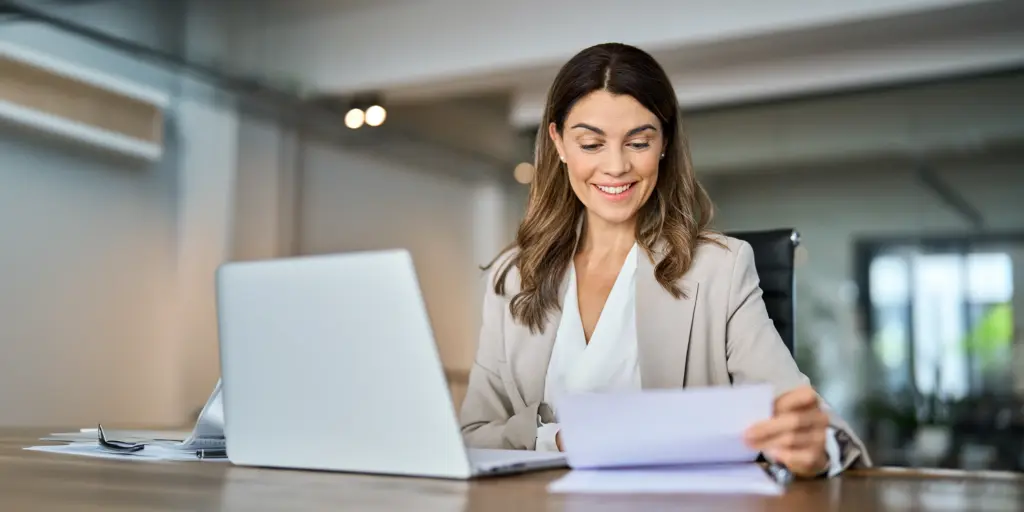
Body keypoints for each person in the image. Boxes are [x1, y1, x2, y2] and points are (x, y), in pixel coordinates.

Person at [458, 42, 871, 477]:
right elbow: (475, 434)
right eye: (591, 143)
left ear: (663, 143)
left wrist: (815, 447)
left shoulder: (720, 269)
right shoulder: (513, 277)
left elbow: (810, 422)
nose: (616, 166)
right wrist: (557, 438)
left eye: (638, 142)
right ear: (559, 142)